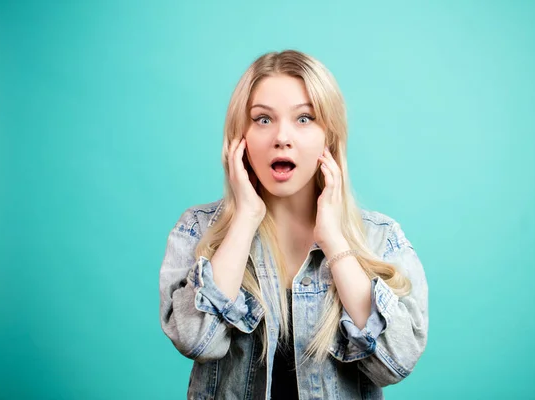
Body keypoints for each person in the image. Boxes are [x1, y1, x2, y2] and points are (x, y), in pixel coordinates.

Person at [159, 49, 428, 399]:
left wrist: (334, 241)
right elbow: (196, 339)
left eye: (304, 119)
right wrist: (245, 218)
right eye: (263, 119)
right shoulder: (197, 230)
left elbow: (395, 362)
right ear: (239, 137)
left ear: (328, 136)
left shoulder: (381, 239)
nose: (281, 137)